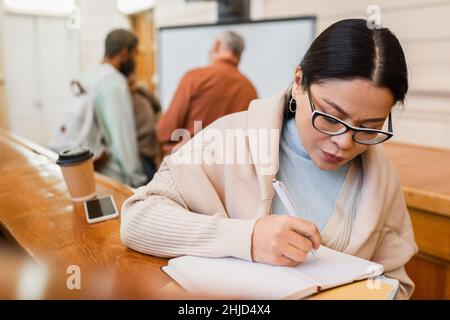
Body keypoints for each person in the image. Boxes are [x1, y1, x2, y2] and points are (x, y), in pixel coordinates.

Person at [120, 19, 418, 299]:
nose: (344, 142)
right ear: (299, 82)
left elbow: (396, 283)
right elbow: (138, 219)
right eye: (330, 117)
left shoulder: (381, 177)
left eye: (368, 128)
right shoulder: (229, 137)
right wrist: (246, 238)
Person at [156, 30, 258, 155]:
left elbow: (165, 132)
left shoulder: (194, 78)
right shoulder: (250, 88)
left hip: (190, 164)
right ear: (239, 55)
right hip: (230, 169)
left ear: (216, 45)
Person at [80, 29, 146, 187]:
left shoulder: (89, 74)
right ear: (124, 53)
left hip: (90, 165)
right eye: (134, 54)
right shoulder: (114, 82)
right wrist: (137, 179)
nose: (135, 61)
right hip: (114, 174)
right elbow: (123, 136)